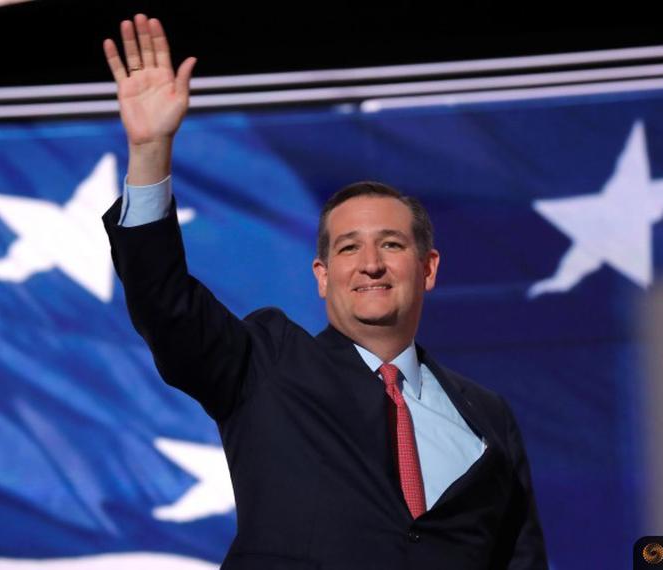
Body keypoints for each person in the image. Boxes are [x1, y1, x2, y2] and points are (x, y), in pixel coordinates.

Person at [102, 14, 548, 570]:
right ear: (321, 275)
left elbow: (520, 559)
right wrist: (149, 151)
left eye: (390, 245)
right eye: (347, 249)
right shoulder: (264, 362)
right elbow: (162, 300)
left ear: (428, 268)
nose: (370, 265)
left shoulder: (488, 413)